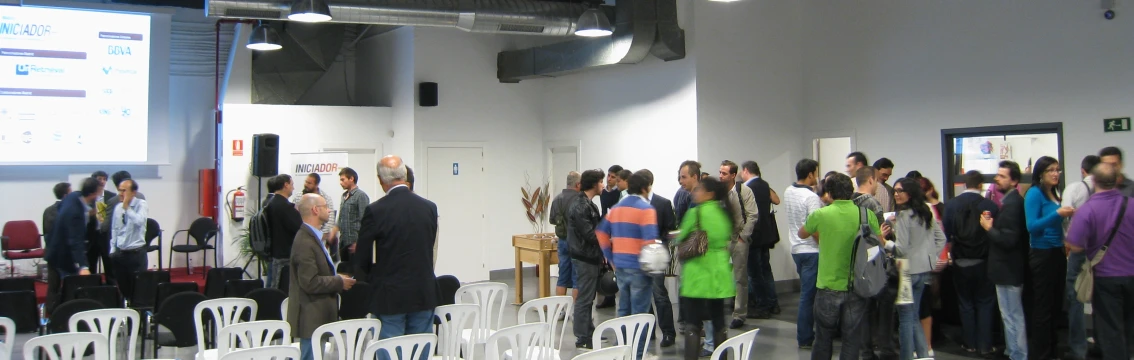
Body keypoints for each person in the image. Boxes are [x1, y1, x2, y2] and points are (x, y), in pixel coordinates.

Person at [352, 155, 439, 342]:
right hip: (423, 290)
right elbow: (429, 246)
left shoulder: (375, 210)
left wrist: (368, 279)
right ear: (404, 175)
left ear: (381, 180)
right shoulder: (429, 207)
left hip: (389, 294)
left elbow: (362, 257)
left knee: (392, 349)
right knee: (419, 348)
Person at [798, 173, 878, 360]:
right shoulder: (866, 214)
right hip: (857, 285)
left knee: (823, 336)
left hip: (828, 285)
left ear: (829, 192)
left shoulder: (821, 214)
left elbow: (802, 233)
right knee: (852, 337)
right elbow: (879, 242)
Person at [1065, 162, 1134, 360]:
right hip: (1133, 275)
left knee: (1111, 331)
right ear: (1117, 180)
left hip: (1106, 278)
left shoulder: (1088, 209)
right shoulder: (1131, 204)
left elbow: (1075, 245)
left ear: (1094, 181)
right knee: (1130, 325)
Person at [882, 177, 946, 360]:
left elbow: (901, 249)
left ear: (910, 193)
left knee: (906, 319)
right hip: (924, 271)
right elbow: (940, 239)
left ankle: (907, 356)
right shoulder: (926, 212)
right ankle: (925, 354)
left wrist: (885, 242)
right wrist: (930, 257)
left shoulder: (903, 216)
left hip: (906, 271)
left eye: (900, 190)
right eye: (895, 191)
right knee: (914, 315)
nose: (896, 194)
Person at [597, 170, 658, 359]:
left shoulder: (616, 208)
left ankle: (621, 352)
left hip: (621, 266)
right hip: (639, 268)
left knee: (623, 310)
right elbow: (650, 241)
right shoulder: (646, 209)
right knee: (640, 315)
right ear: (644, 188)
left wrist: (611, 257)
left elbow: (601, 233)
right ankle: (637, 355)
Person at [674, 176, 736, 360]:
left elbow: (681, 236)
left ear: (709, 194)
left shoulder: (696, 213)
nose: (696, 193)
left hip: (698, 275)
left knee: (693, 323)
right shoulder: (725, 213)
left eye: (700, 189)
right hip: (719, 275)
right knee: (719, 322)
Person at [289, 194, 356, 360]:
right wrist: (338, 281)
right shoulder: (305, 241)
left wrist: (335, 276)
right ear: (315, 210)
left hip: (318, 316)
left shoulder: (313, 238)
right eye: (325, 206)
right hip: (310, 318)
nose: (329, 210)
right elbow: (310, 282)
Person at [942, 171, 998, 357]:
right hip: (984, 260)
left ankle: (969, 344)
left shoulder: (951, 205)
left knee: (965, 303)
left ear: (964, 184)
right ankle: (986, 345)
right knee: (985, 302)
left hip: (960, 260)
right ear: (981, 184)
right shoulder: (991, 205)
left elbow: (946, 233)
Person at [1024, 156, 1074, 360]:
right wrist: (1059, 214)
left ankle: (1052, 349)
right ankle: (1041, 353)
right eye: (1050, 170)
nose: (1055, 174)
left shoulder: (1054, 192)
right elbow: (1032, 226)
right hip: (1042, 253)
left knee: (1055, 305)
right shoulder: (1034, 193)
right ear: (1041, 174)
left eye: (1057, 170)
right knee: (1043, 307)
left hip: (1057, 251)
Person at [980, 161, 1029, 360]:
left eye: (1002, 176)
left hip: (1008, 270)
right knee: (1009, 314)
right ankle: (1013, 350)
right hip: (1008, 269)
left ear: (1014, 180)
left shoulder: (1013, 205)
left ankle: (1018, 354)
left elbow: (1008, 239)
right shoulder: (1009, 203)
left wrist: (988, 228)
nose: (997, 179)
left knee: (1011, 316)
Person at [1060, 155, 1101, 360]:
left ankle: (1078, 349)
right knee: (1100, 294)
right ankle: (1101, 343)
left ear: (1083, 170)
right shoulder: (1109, 192)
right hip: (1101, 251)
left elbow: (1065, 215)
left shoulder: (1075, 188)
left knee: (1075, 296)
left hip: (1078, 249)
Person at [784, 159, 823, 350]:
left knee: (807, 294)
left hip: (796, 249)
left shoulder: (788, 191)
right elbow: (814, 226)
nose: (816, 177)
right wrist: (824, 245)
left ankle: (807, 333)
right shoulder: (811, 197)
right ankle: (805, 336)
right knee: (808, 296)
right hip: (811, 251)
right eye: (815, 173)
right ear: (810, 175)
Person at [568, 169, 606, 350]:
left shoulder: (590, 205)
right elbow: (590, 235)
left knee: (588, 296)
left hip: (591, 257)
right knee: (584, 298)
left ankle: (589, 332)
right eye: (601, 182)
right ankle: (582, 337)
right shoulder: (581, 206)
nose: (603, 185)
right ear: (594, 184)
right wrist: (608, 240)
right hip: (585, 258)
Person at [640, 169, 677, 347]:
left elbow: (670, 229)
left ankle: (668, 332)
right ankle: (648, 330)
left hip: (655, 256)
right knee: (644, 295)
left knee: (659, 294)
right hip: (638, 256)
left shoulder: (663, 203)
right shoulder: (634, 204)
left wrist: (658, 243)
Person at [719, 160, 757, 329]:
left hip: (739, 238)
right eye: (720, 172)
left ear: (733, 175)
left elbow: (752, 215)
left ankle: (739, 314)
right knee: (719, 274)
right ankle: (718, 310)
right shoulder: (717, 192)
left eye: (724, 173)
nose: (721, 176)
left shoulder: (744, 191)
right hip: (721, 240)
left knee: (740, 277)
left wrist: (743, 236)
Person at [740, 160, 780, 318]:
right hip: (766, 234)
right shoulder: (765, 185)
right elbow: (776, 200)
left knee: (754, 273)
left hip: (754, 236)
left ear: (745, 171)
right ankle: (773, 303)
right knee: (766, 270)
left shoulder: (747, 188)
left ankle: (761, 306)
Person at [47, 177, 101, 278]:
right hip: (63, 254)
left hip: (54, 248)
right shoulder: (75, 213)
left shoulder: (73, 196)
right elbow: (75, 240)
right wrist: (83, 266)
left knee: (54, 288)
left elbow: (59, 207)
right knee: (70, 286)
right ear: (93, 193)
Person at [108, 178, 149, 301]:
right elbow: (114, 229)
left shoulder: (141, 204)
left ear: (134, 192)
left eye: (124, 191)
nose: (120, 194)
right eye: (119, 190)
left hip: (136, 254)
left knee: (137, 288)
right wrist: (112, 249)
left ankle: (138, 314)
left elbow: (139, 221)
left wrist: (127, 208)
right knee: (123, 287)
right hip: (120, 254)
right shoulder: (118, 207)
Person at [265, 174, 302, 289]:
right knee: (281, 288)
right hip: (285, 255)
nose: (293, 188)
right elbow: (299, 228)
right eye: (292, 184)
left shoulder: (270, 203)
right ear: (285, 185)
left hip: (275, 253)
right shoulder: (284, 206)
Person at [549, 171, 581, 299]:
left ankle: (561, 310)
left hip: (562, 241)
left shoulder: (557, 199)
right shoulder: (580, 199)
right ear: (578, 184)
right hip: (577, 242)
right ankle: (575, 311)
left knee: (562, 276)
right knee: (577, 278)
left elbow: (552, 220)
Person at [336, 167, 370, 263]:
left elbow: (365, 221)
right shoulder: (344, 196)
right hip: (343, 242)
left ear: (351, 179)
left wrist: (359, 243)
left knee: (356, 273)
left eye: (343, 180)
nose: (340, 183)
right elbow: (341, 217)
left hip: (355, 243)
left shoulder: (361, 196)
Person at [290, 173, 337, 240]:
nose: (306, 184)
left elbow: (330, 220)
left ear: (316, 185)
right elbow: (293, 216)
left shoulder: (326, 198)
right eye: (306, 181)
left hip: (320, 236)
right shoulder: (299, 197)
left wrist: (321, 237)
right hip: (301, 234)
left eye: (309, 183)